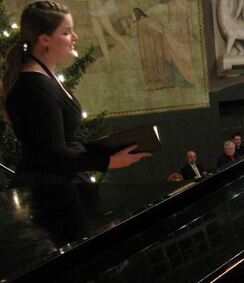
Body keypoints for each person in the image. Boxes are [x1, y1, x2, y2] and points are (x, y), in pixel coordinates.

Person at [0, 1, 149, 188]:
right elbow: (54, 156)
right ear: (45, 40)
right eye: (66, 32)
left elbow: (63, 142)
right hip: (48, 193)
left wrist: (110, 150)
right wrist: (108, 161)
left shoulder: (45, 78)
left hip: (61, 186)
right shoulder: (35, 87)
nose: (75, 37)